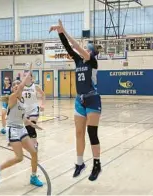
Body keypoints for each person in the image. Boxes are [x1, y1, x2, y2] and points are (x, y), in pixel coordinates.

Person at [50, 20, 102, 181]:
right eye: (84, 47)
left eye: (87, 48)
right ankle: (80, 163)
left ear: (91, 52)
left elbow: (76, 47)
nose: (84, 48)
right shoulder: (78, 61)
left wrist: (64, 30)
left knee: (91, 133)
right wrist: (60, 33)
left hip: (92, 99)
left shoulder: (92, 61)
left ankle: (96, 164)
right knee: (78, 133)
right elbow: (68, 47)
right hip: (79, 101)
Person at [0, 64, 43, 186]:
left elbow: (24, 119)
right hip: (13, 130)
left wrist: (35, 126)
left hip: (22, 129)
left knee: (34, 152)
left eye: (18, 84)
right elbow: (22, 86)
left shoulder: (22, 101)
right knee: (19, 158)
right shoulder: (12, 98)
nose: (17, 86)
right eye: (15, 85)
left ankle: (33, 177)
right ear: (13, 89)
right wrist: (29, 72)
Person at [22, 67, 45, 187]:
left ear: (31, 77)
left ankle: (34, 144)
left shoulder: (35, 87)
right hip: (24, 112)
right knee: (28, 129)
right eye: (24, 75)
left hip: (34, 110)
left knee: (32, 126)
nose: (26, 77)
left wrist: (42, 104)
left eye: (28, 75)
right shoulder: (20, 87)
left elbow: (43, 94)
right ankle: (33, 142)